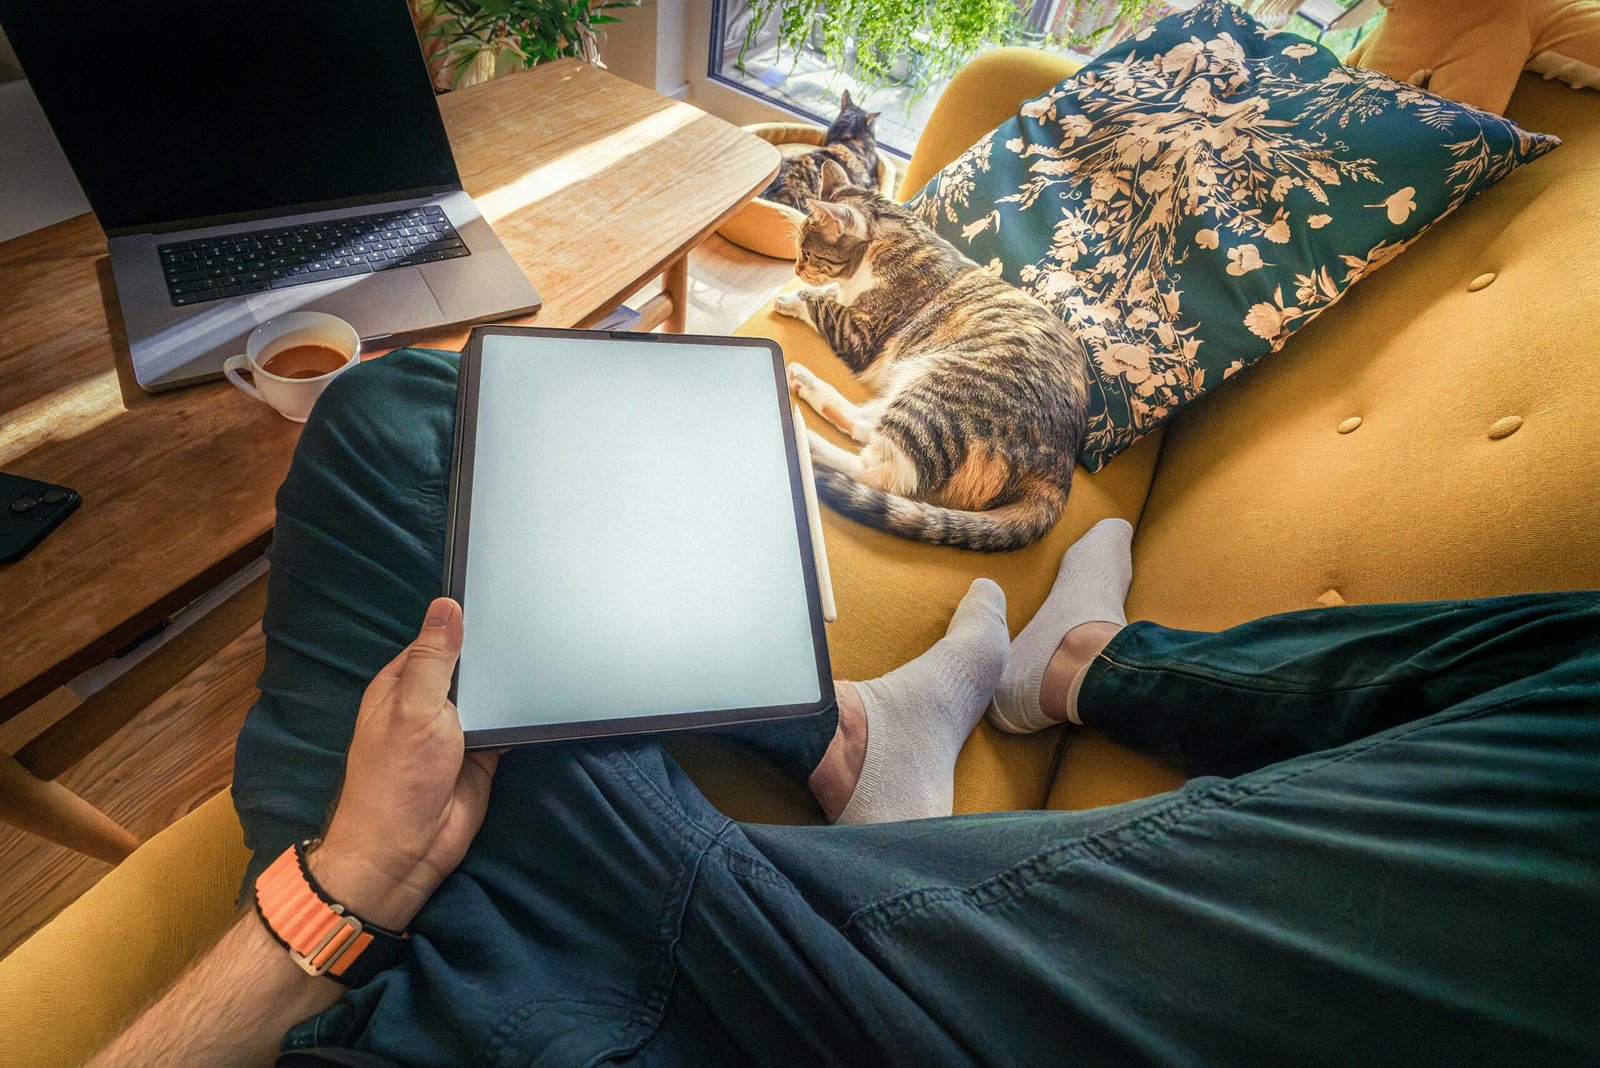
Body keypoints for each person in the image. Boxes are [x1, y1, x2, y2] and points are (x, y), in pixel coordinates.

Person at [90, 353, 1598, 1067]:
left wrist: (351, 897)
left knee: (413, 435)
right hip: (437, 953)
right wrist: (340, 895)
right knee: (412, 425)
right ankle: (1024, 687)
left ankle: (992, 695)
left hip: (779, 1003)